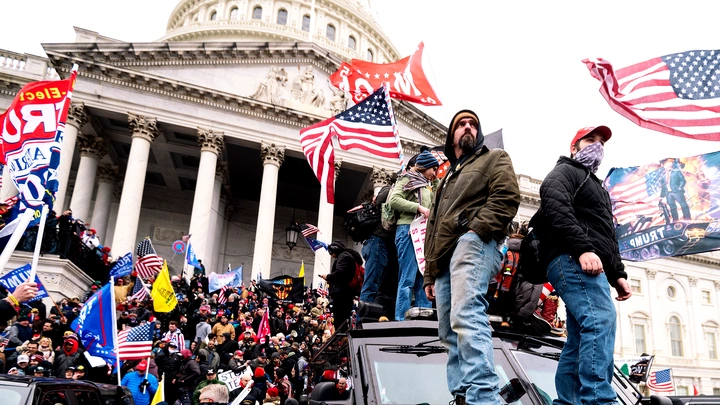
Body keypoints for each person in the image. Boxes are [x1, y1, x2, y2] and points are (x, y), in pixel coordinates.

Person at [423, 110, 521, 404]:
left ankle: (484, 396)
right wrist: (429, 273)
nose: (468, 127)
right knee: (448, 331)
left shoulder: (494, 158)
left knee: (466, 315)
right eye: (461, 124)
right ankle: (463, 395)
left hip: (474, 244)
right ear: (451, 136)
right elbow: (433, 228)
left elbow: (507, 197)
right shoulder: (445, 179)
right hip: (442, 259)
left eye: (473, 124)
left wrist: (475, 232)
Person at [535, 125, 632, 404]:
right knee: (601, 320)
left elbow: (605, 235)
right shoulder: (565, 171)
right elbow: (555, 206)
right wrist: (582, 249)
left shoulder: (596, 187)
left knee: (578, 339)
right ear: (574, 147)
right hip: (572, 259)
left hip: (586, 261)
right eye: (590, 140)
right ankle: (599, 398)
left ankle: (569, 401)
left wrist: (618, 274)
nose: (597, 145)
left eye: (601, 142)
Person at [389, 150, 438, 320]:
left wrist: (437, 182)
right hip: (408, 230)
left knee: (423, 280)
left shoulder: (428, 185)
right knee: (407, 278)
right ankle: (401, 319)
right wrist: (419, 208)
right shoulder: (407, 178)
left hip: (423, 234)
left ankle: (423, 319)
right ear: (426, 166)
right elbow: (394, 200)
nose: (435, 173)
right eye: (434, 169)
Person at [319, 242, 362, 329]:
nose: (332, 256)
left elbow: (340, 273)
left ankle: (341, 338)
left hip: (341, 293)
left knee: (340, 319)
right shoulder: (348, 256)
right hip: (346, 292)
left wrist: (328, 276)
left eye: (331, 253)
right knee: (343, 318)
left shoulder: (343, 256)